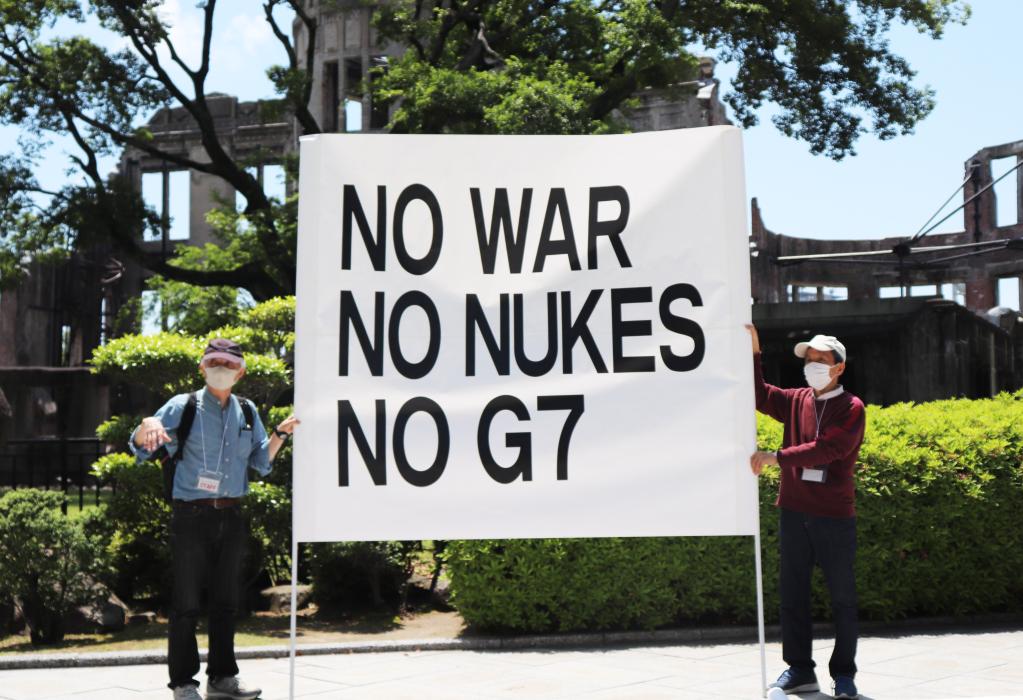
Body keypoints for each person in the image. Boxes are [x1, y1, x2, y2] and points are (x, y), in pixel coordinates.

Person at [131, 338, 299, 700]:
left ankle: (222, 678)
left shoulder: (247, 411)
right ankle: (183, 683)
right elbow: (141, 446)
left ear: (241, 373)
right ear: (202, 368)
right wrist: (146, 424)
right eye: (214, 362)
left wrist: (280, 435)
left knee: (226, 601)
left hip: (231, 513)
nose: (221, 368)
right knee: (186, 603)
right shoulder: (183, 406)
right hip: (190, 515)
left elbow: (260, 463)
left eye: (228, 364)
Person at [747, 324, 865, 700]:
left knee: (843, 598)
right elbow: (759, 395)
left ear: (839, 367)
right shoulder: (797, 399)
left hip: (833, 515)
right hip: (794, 510)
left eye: (821, 359)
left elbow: (828, 449)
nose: (812, 364)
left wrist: (776, 457)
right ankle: (800, 670)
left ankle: (844, 675)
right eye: (808, 359)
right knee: (793, 594)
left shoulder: (852, 408)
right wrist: (754, 352)